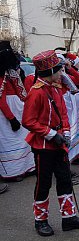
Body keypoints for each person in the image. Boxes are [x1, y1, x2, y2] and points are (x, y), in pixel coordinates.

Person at [22, 50, 79, 237]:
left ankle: (69, 218)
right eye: (58, 70)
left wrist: (66, 132)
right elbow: (28, 121)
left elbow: (63, 113)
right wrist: (51, 134)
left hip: (60, 144)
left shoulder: (56, 88)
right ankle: (40, 220)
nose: (61, 73)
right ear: (50, 71)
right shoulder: (36, 93)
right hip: (43, 147)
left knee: (65, 179)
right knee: (44, 184)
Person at [0, 40, 35, 185]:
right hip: (7, 114)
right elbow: (1, 100)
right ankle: (13, 171)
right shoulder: (1, 75)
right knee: (10, 141)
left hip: (17, 108)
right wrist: (11, 118)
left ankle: (26, 167)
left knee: (24, 139)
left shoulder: (11, 72)